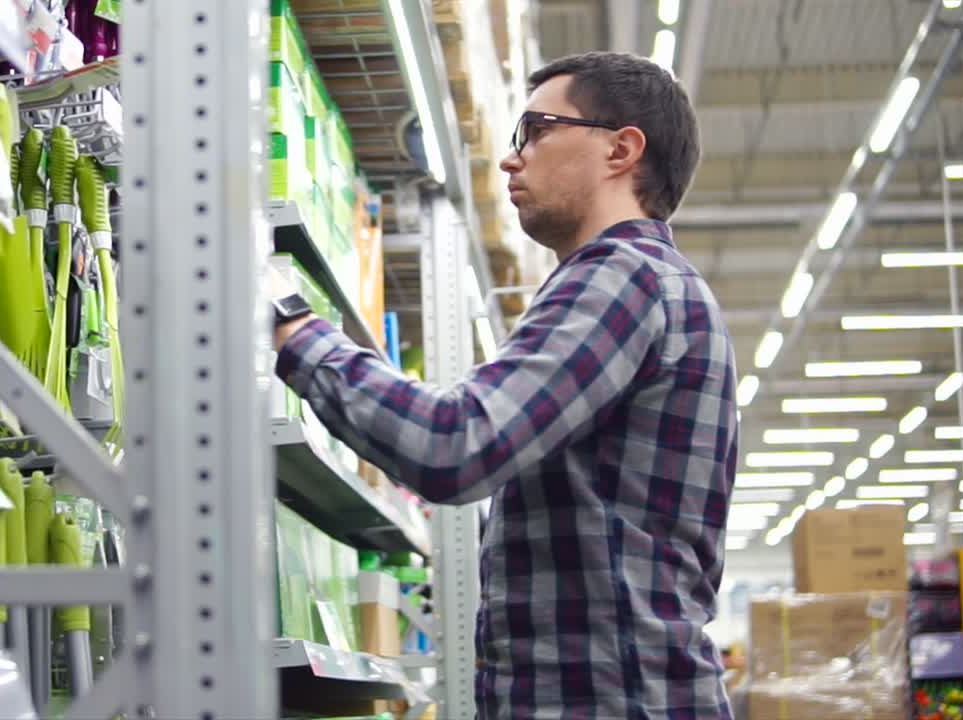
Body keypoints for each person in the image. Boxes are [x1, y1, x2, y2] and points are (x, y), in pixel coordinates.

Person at [272, 51, 736, 719]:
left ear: (621, 149)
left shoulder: (623, 276)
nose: (511, 159)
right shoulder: (649, 285)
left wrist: (289, 324)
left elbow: (452, 444)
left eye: (537, 130)